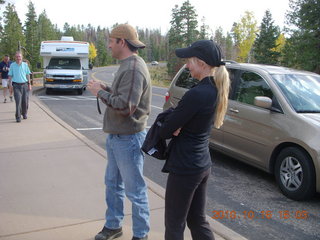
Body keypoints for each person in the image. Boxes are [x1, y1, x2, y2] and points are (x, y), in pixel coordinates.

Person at [159, 40, 230, 240]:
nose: (187, 66)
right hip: (201, 165)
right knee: (197, 220)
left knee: (174, 224)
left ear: (202, 63)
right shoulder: (215, 90)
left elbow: (165, 130)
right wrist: (177, 124)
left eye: (189, 61)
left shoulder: (197, 94)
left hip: (185, 167)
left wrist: (175, 126)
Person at [88, 24, 151, 240]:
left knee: (135, 191)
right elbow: (122, 93)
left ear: (121, 42)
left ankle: (141, 235)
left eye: (111, 41)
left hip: (129, 138)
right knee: (113, 184)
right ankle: (113, 226)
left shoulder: (133, 67)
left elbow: (126, 106)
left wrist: (100, 94)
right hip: (118, 137)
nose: (108, 46)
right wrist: (105, 87)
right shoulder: (127, 65)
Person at [8, 51, 32, 122]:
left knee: (25, 101)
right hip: (16, 85)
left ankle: (24, 113)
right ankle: (18, 117)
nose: (18, 58)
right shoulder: (12, 65)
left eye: (19, 57)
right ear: (15, 57)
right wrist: (10, 85)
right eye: (17, 57)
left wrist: (29, 84)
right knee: (18, 102)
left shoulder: (25, 65)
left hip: (24, 85)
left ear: (22, 57)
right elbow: (10, 75)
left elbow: (28, 74)